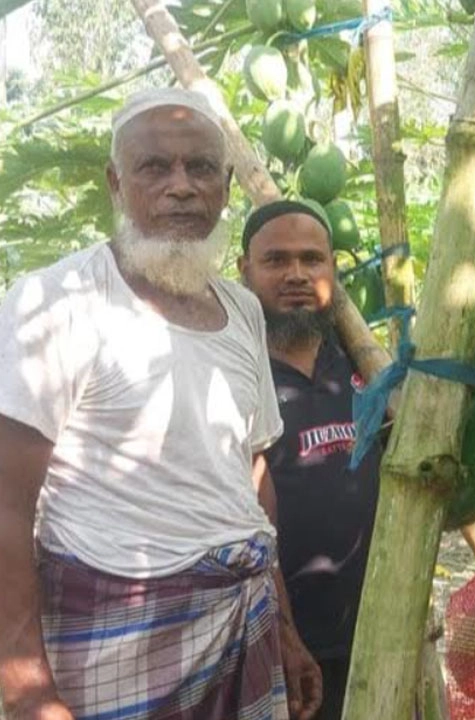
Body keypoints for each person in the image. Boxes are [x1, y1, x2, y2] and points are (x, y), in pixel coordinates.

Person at [0, 88, 321, 720]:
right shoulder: (57, 302)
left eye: (201, 168)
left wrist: (281, 622)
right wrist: (24, 681)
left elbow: (251, 481)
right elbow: (6, 503)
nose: (182, 187)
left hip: (242, 624)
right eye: (155, 168)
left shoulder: (242, 311)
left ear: (227, 185)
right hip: (112, 648)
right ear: (116, 184)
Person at [239, 200, 381, 720]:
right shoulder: (233, 378)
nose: (296, 274)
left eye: (311, 259)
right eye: (276, 261)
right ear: (244, 271)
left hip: (377, 633)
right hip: (277, 645)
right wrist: (280, 629)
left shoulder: (366, 367)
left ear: (332, 269)